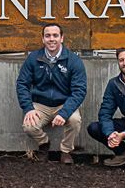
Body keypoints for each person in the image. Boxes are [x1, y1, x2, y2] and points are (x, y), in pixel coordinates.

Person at [16, 22, 87, 164]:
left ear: (62, 38)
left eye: (55, 35)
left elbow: (79, 90)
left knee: (74, 120)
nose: (51, 39)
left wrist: (64, 112)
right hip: (40, 104)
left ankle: (66, 151)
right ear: (43, 39)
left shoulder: (73, 60)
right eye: (47, 36)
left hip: (63, 104)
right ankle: (44, 144)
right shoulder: (34, 58)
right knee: (29, 125)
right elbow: (22, 84)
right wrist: (28, 108)